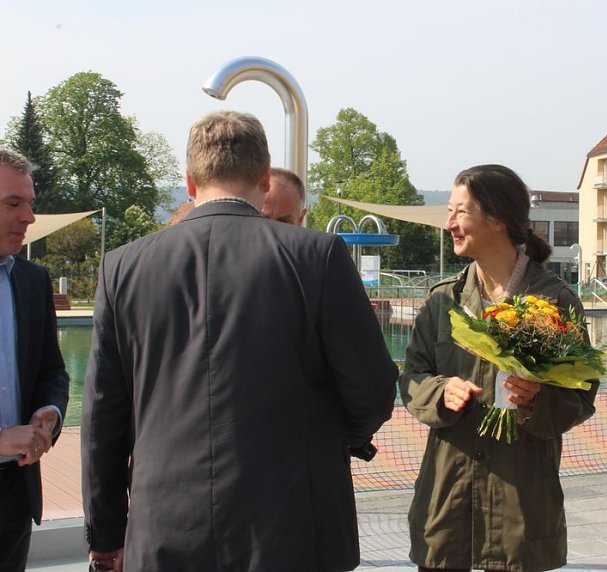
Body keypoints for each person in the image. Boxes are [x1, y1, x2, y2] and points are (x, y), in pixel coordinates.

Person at [81, 111, 398, 571]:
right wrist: (320, 443)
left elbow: (102, 417)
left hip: (165, 525)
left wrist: (107, 531)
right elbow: (372, 388)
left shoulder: (122, 267)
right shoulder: (318, 256)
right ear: (266, 177)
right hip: (294, 525)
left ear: (189, 182)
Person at [399, 164, 599, 571]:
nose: (449, 223)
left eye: (460, 211)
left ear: (497, 219)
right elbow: (412, 377)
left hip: (520, 515)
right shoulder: (443, 302)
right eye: (449, 211)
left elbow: (581, 395)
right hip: (446, 507)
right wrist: (441, 392)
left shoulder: (555, 303)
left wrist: (537, 400)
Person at [0, 148, 69, 571]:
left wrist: (50, 412)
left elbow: (52, 370)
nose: (28, 217)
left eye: (31, 204)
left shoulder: (32, 280)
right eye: (13, 203)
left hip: (13, 495)